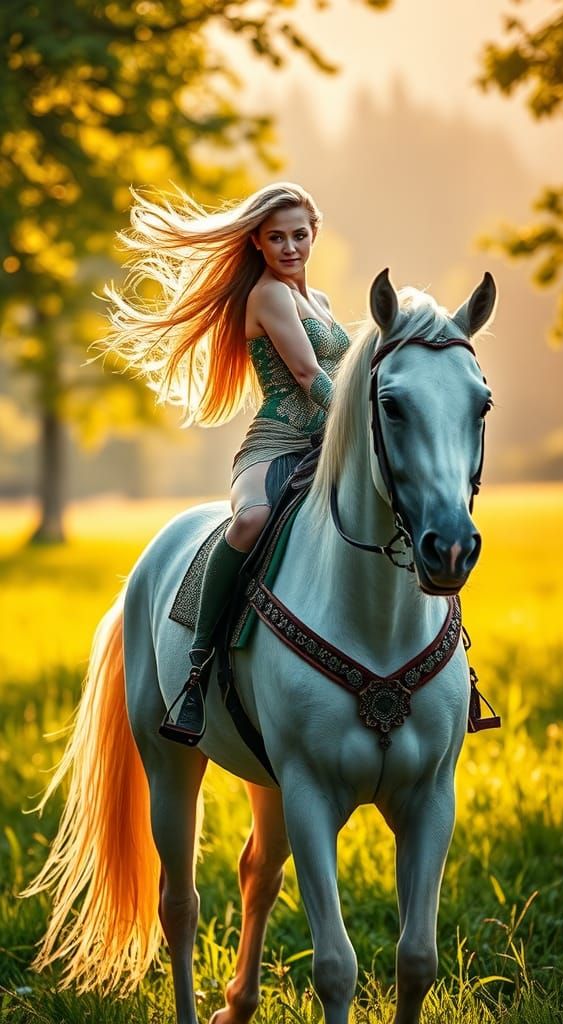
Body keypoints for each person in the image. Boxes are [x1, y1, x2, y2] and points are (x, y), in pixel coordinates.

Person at [103, 182, 350, 744]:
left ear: (315, 233)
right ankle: (196, 665)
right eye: (276, 238)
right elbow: (311, 377)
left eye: (299, 235)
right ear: (258, 244)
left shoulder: (324, 303)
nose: (290, 247)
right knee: (250, 522)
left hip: (327, 447)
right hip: (276, 443)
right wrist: (360, 427)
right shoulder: (268, 296)